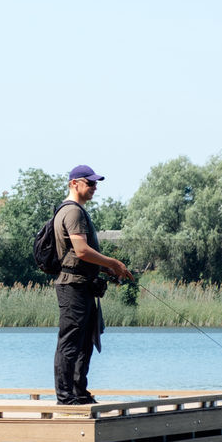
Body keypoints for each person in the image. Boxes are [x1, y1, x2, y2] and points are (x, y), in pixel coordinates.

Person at [54, 165, 133, 405]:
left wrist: (104, 268)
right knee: (70, 341)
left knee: (85, 342)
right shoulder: (73, 212)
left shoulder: (73, 211)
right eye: (90, 183)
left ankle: (79, 392)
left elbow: (80, 255)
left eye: (96, 184)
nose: (94, 188)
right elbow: (81, 251)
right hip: (73, 286)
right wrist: (114, 262)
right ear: (74, 183)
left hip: (82, 284)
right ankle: (66, 397)